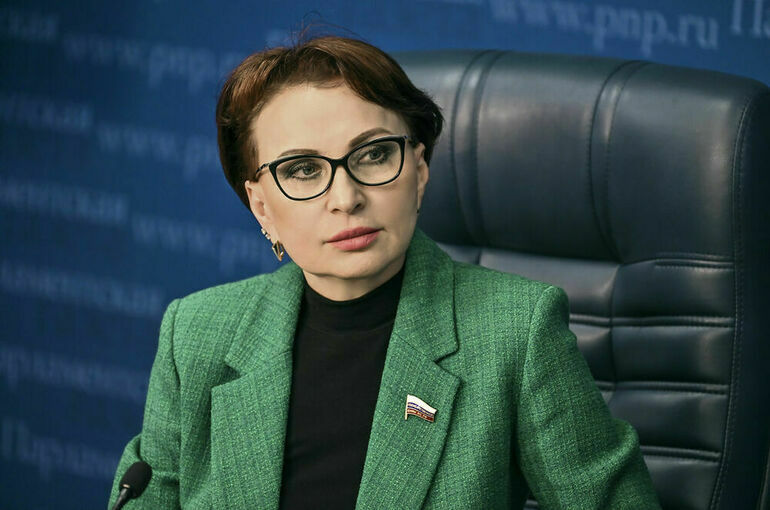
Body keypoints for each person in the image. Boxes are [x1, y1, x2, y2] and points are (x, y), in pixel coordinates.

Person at [109, 35, 661, 509]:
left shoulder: (516, 331)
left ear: (418, 170)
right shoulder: (197, 334)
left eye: (373, 155)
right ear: (261, 206)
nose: (345, 198)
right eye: (302, 170)